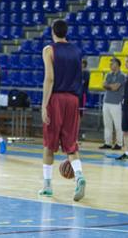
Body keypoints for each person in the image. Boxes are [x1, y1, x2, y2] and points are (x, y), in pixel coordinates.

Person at [39, 19, 86, 202]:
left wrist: (44, 104)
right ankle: (80, 176)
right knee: (71, 144)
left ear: (53, 31)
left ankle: (48, 186)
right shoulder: (77, 51)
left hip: (56, 98)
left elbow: (49, 78)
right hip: (73, 99)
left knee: (49, 144)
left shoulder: (49, 50)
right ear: (66, 32)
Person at [100, 58, 124, 150]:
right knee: (107, 124)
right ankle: (108, 142)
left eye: (112, 64)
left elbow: (115, 87)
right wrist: (110, 86)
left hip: (116, 102)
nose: (110, 65)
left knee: (117, 124)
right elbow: (103, 85)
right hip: (106, 101)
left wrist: (108, 86)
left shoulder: (121, 76)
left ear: (117, 65)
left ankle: (119, 143)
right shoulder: (108, 74)